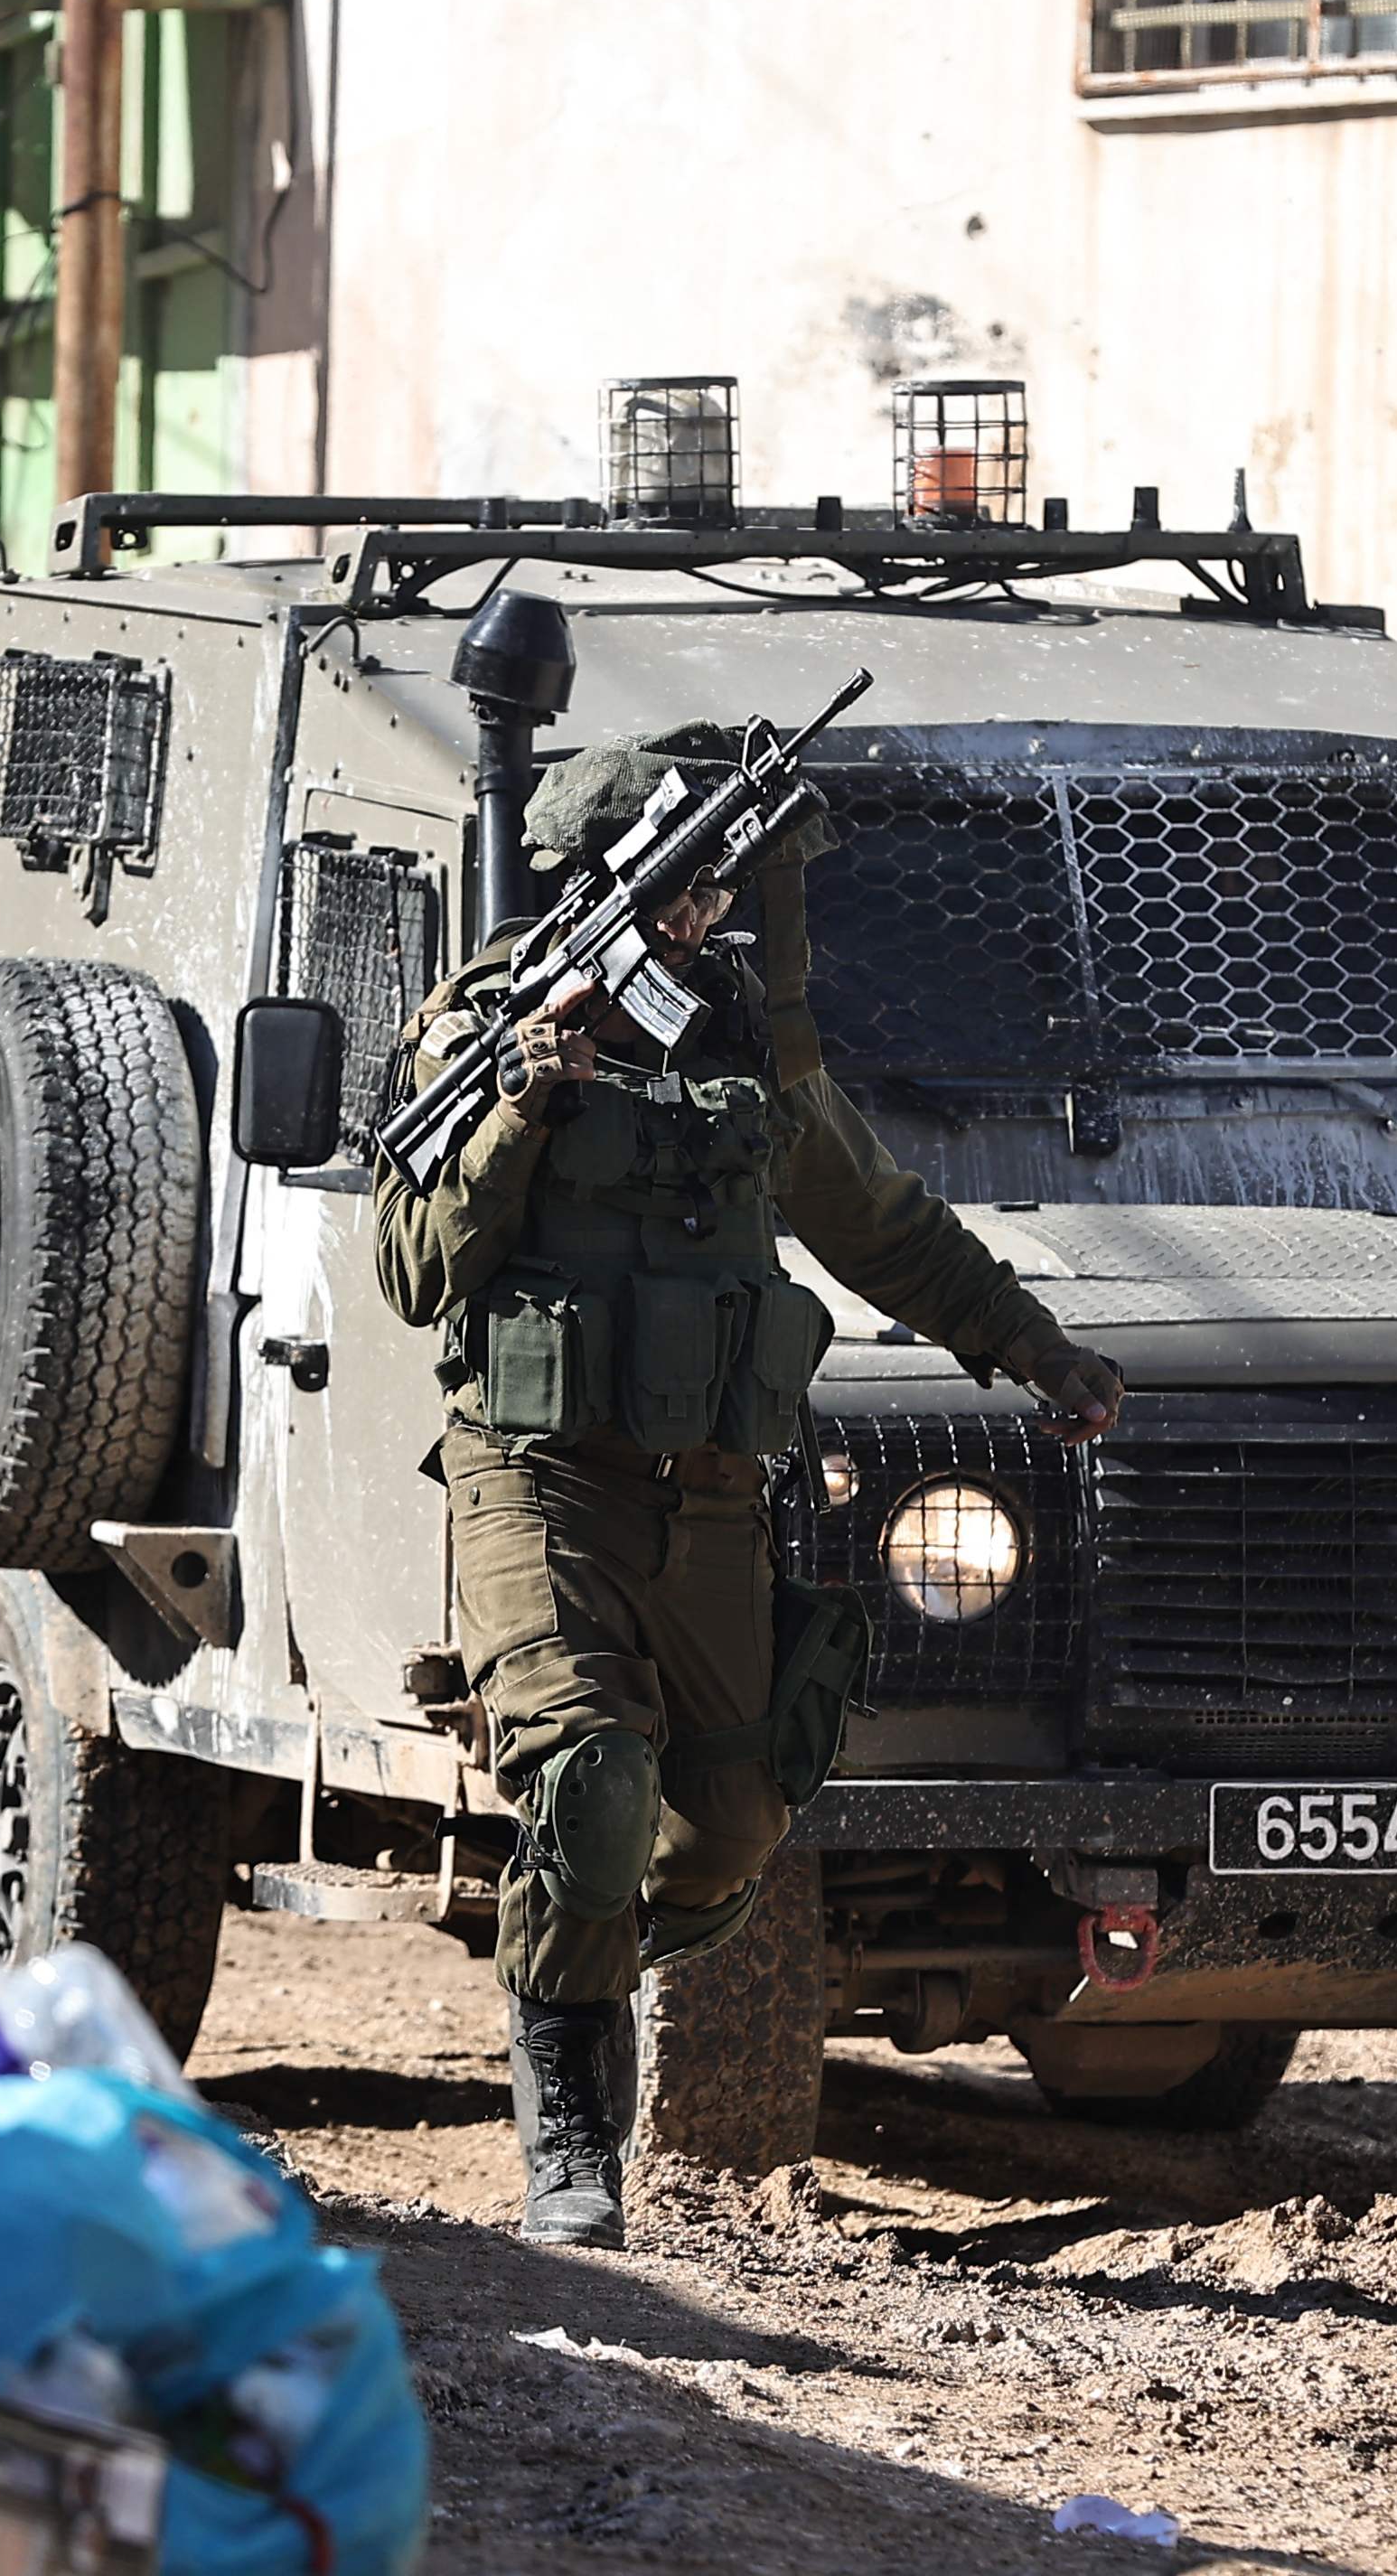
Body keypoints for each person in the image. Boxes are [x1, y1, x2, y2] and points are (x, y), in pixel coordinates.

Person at [370, 725, 1124, 2247]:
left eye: (718, 893)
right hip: (541, 1481)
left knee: (726, 1823)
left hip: (708, 1491)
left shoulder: (748, 1058)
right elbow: (411, 1266)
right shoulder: (489, 1022)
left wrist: (1039, 1355)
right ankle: (573, 2141)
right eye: (682, 891)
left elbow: (886, 1232)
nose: (703, 919)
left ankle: (580, 1944)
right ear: (598, 879)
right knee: (590, 1790)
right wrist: (521, 1101)